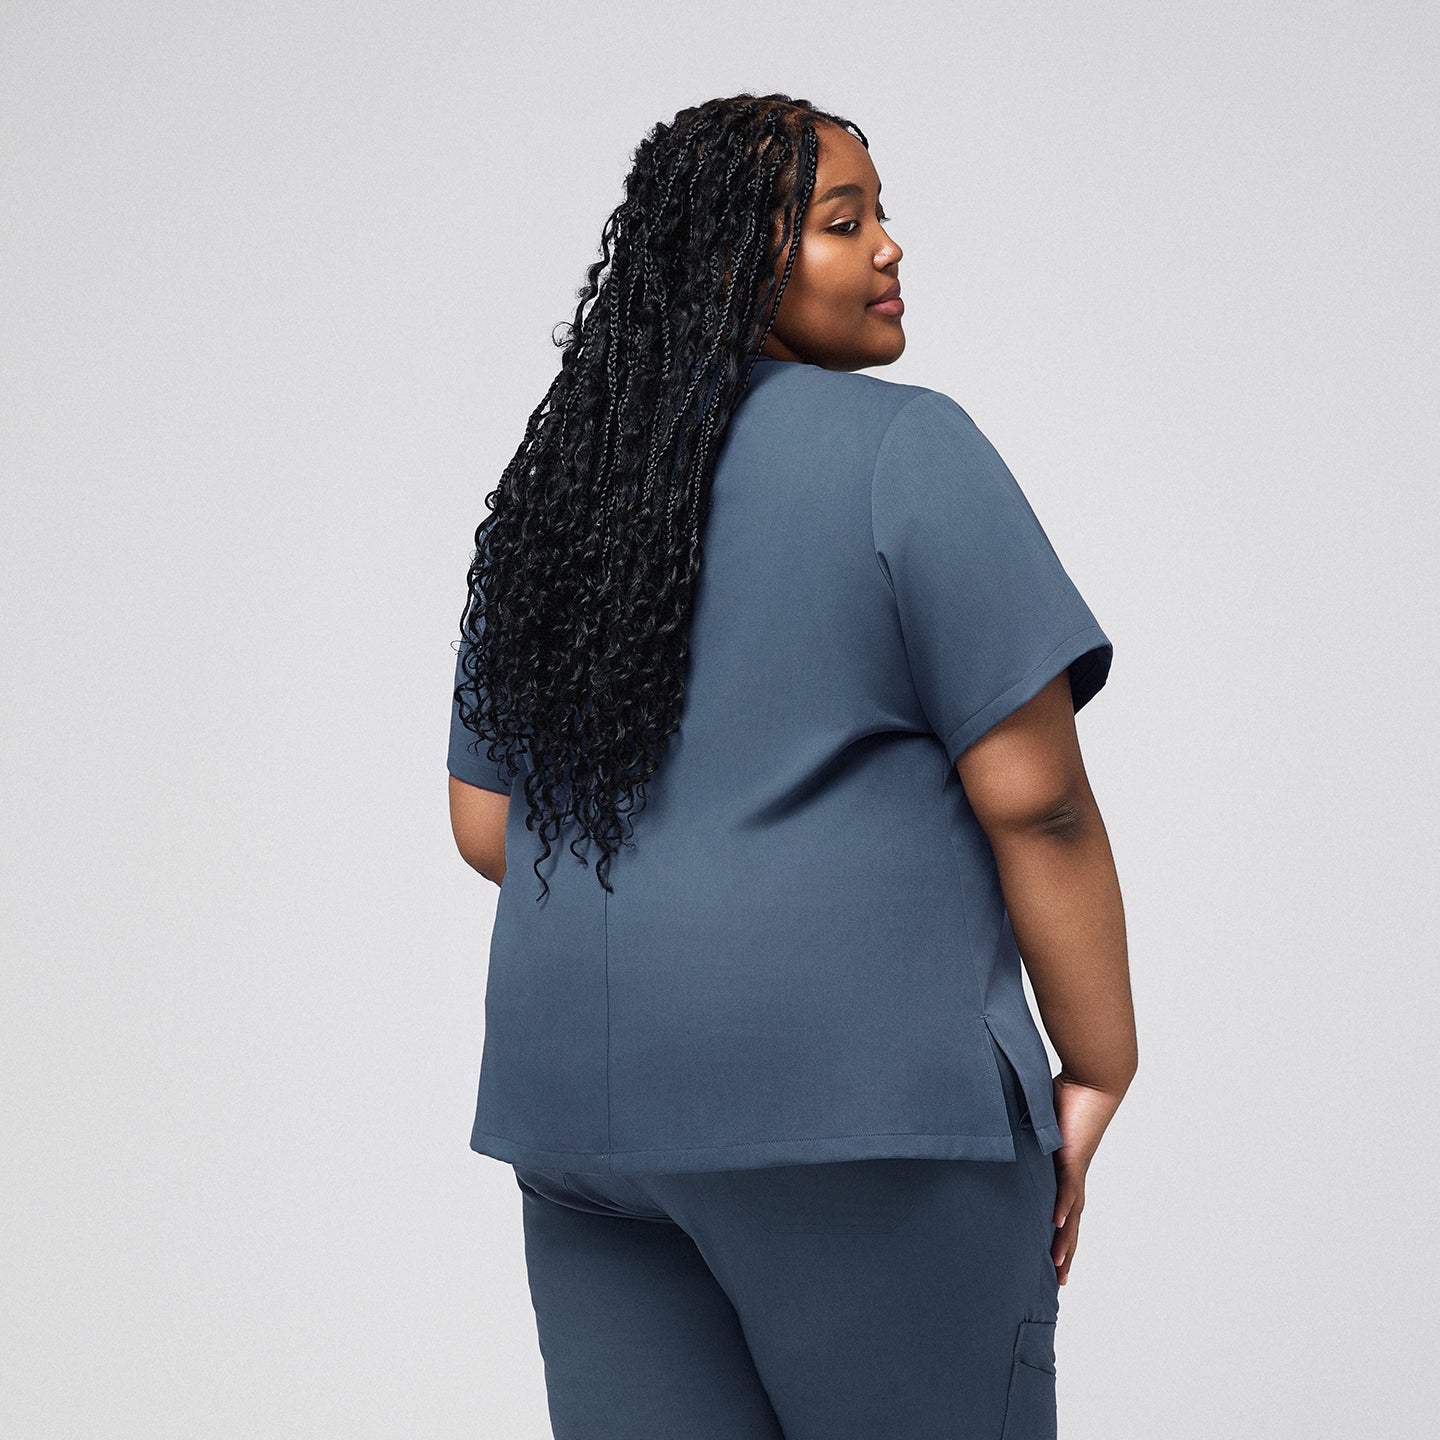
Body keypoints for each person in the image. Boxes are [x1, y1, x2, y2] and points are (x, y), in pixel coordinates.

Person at [447, 92, 1137, 1440]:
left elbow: (489, 826)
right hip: (861, 1119)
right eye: (842, 221)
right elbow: (1036, 797)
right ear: (730, 261)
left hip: (584, 1124)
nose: (888, 249)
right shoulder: (905, 451)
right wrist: (1098, 1061)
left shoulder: (556, 495)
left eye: (879, 215)